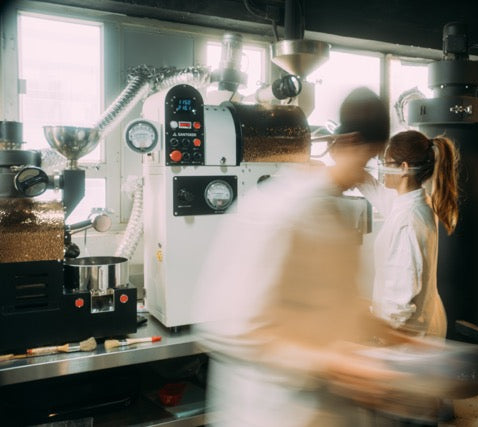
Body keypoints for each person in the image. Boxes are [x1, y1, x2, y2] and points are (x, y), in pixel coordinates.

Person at [194, 87, 405, 427]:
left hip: (325, 407)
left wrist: (394, 335)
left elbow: (335, 300)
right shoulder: (281, 210)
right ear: (348, 143)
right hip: (274, 410)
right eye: (368, 160)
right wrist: (331, 363)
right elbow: (233, 327)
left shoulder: (334, 212)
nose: (367, 175)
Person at [358, 130, 460, 426]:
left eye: (386, 162)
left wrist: (377, 336)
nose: (382, 168)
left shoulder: (409, 220)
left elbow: (401, 302)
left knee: (406, 418)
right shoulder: (411, 202)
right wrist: (351, 168)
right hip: (421, 329)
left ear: (403, 168)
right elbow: (379, 194)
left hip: (408, 339)